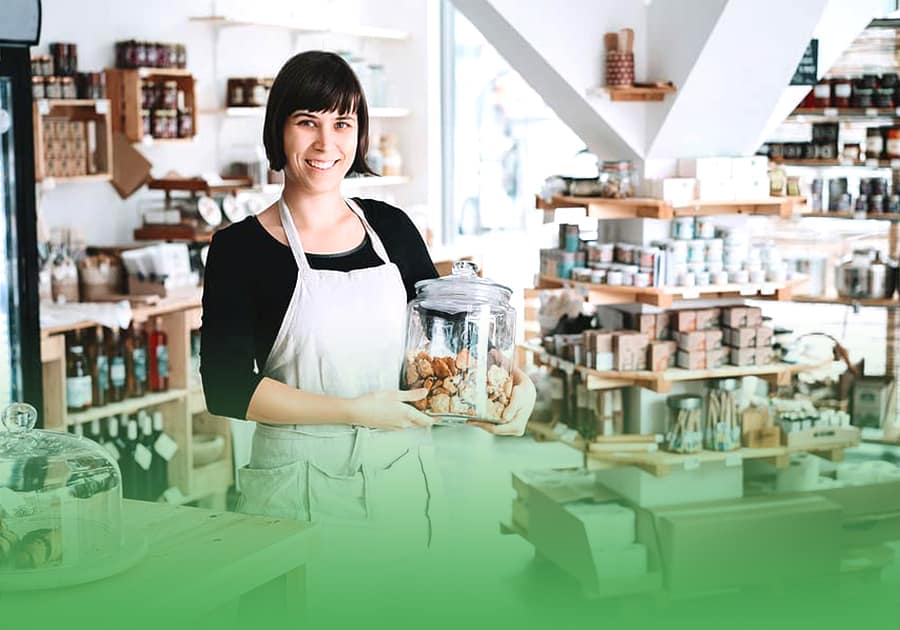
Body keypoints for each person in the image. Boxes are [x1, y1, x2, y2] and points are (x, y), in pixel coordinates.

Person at [200, 51, 536, 544]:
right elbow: (226, 387)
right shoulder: (240, 250)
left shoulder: (392, 229)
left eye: (342, 123)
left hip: (402, 481)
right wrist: (356, 410)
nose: (325, 143)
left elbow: (447, 346)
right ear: (278, 131)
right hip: (297, 492)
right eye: (306, 122)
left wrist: (511, 387)